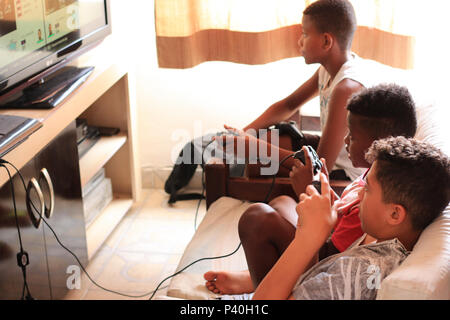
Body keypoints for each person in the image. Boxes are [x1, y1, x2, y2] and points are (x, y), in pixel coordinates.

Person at [204, 83, 418, 295]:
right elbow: (346, 213)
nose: (345, 141)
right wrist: (321, 184)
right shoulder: (371, 173)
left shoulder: (382, 189)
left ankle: (267, 287)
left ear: (378, 143)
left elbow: (336, 245)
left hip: (329, 258)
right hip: (327, 240)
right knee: (282, 202)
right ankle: (260, 277)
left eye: (352, 137)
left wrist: (308, 188)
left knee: (257, 219)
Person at [253, 136, 450, 299]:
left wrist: (307, 238)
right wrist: (314, 235)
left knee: (256, 218)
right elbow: (311, 284)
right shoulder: (386, 247)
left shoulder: (357, 272)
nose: (360, 195)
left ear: (395, 214)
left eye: (367, 188)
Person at [221, 0, 372, 181]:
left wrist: (255, 146)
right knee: (265, 142)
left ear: (326, 41)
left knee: (257, 162)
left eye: (305, 34)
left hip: (343, 172)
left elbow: (320, 168)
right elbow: (288, 105)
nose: (299, 41)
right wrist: (244, 133)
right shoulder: (327, 70)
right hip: (325, 156)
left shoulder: (348, 87)